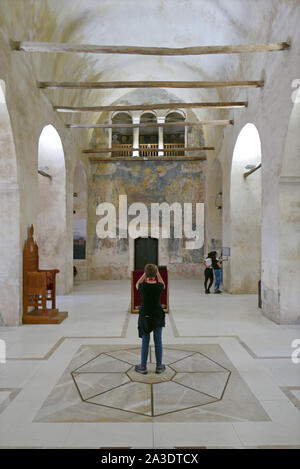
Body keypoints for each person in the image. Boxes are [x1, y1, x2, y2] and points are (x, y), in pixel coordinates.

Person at [135, 264, 166, 375]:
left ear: (146, 273)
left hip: (145, 316)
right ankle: (159, 366)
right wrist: (158, 273)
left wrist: (145, 274)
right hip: (157, 315)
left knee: (145, 341)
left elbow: (137, 284)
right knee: (158, 340)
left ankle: (143, 366)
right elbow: (163, 283)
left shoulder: (142, 286)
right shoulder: (159, 286)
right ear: (156, 272)